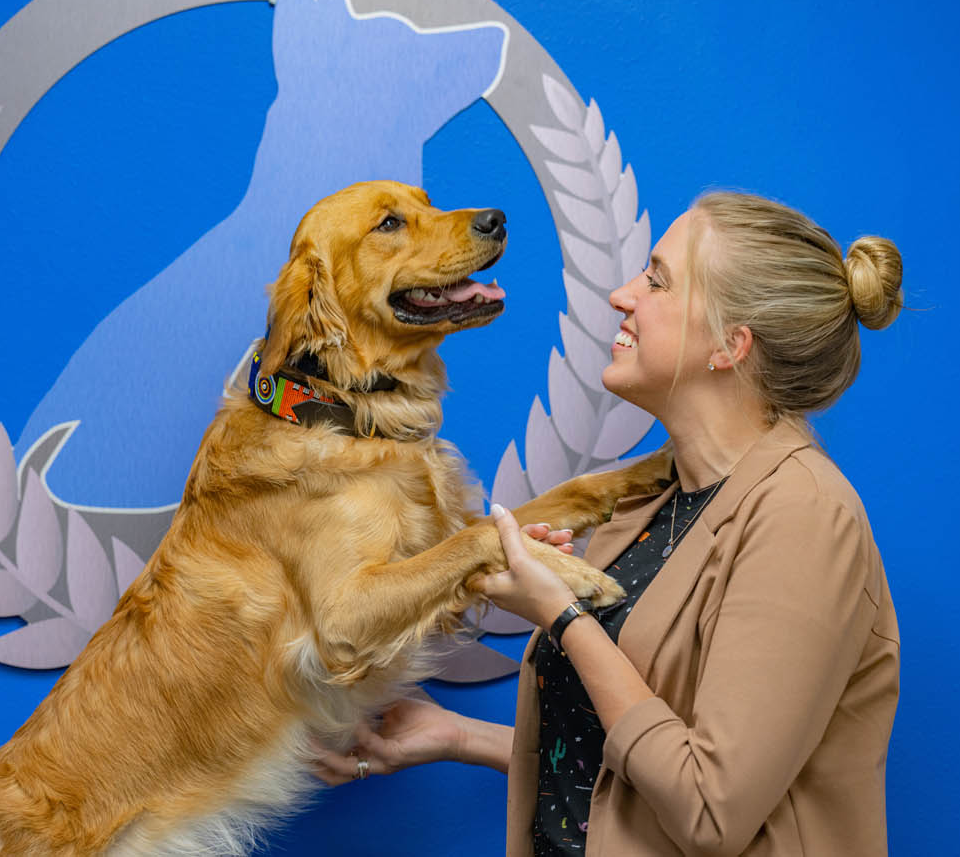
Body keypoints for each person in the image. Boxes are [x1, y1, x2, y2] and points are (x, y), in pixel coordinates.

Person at [315, 191, 903, 856]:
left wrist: (564, 616)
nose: (623, 295)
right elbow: (629, 761)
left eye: (657, 280)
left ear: (729, 345)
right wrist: (457, 735)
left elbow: (708, 806)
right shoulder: (653, 497)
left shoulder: (805, 516)